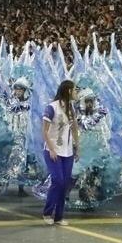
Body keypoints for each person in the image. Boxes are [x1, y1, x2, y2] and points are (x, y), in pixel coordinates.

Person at [40, 80, 78, 226]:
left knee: (65, 183)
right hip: (53, 151)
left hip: (68, 152)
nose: (76, 92)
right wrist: (51, 149)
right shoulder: (52, 107)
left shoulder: (71, 108)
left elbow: (74, 128)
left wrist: (77, 146)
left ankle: (59, 216)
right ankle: (47, 212)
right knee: (57, 180)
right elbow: (44, 131)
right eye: (75, 90)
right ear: (68, 91)